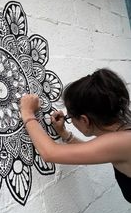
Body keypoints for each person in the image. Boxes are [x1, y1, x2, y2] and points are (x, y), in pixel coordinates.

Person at [20, 68, 131, 203]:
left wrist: (27, 113)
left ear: (84, 120)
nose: (70, 120)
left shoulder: (121, 141)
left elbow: (50, 153)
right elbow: (92, 150)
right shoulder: (124, 134)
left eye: (71, 116)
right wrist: (64, 134)